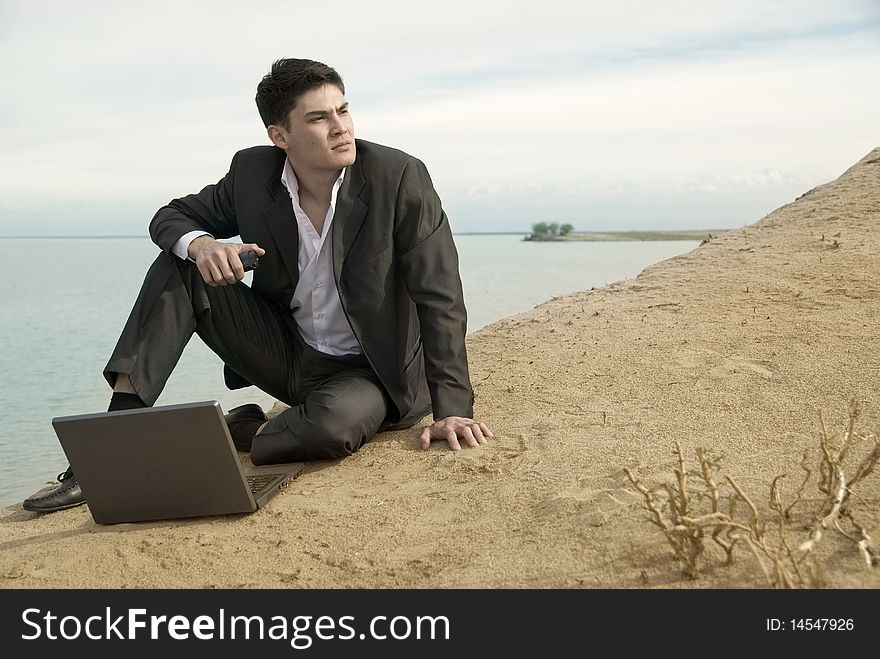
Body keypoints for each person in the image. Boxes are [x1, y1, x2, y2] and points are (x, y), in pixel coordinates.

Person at [23, 58, 493, 513]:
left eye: (343, 110)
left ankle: (240, 431)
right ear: (279, 136)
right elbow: (170, 216)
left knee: (330, 429)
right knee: (181, 263)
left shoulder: (398, 177)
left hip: (369, 373)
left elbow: (441, 296)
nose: (341, 127)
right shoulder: (253, 174)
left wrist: (452, 407)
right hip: (285, 352)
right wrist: (204, 244)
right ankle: (107, 447)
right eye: (319, 118)